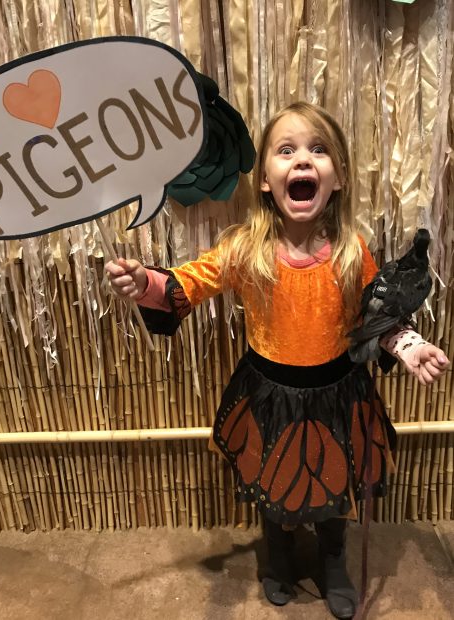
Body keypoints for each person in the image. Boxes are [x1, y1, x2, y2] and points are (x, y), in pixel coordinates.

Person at [105, 101, 450, 619]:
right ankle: (278, 555)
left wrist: (409, 347)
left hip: (338, 392)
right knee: (272, 480)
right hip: (269, 393)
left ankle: (333, 557)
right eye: (286, 151)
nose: (303, 161)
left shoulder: (352, 249)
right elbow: (188, 283)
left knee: (334, 481)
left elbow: (377, 318)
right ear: (266, 179)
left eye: (318, 150)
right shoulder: (246, 249)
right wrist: (144, 284)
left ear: (338, 177)